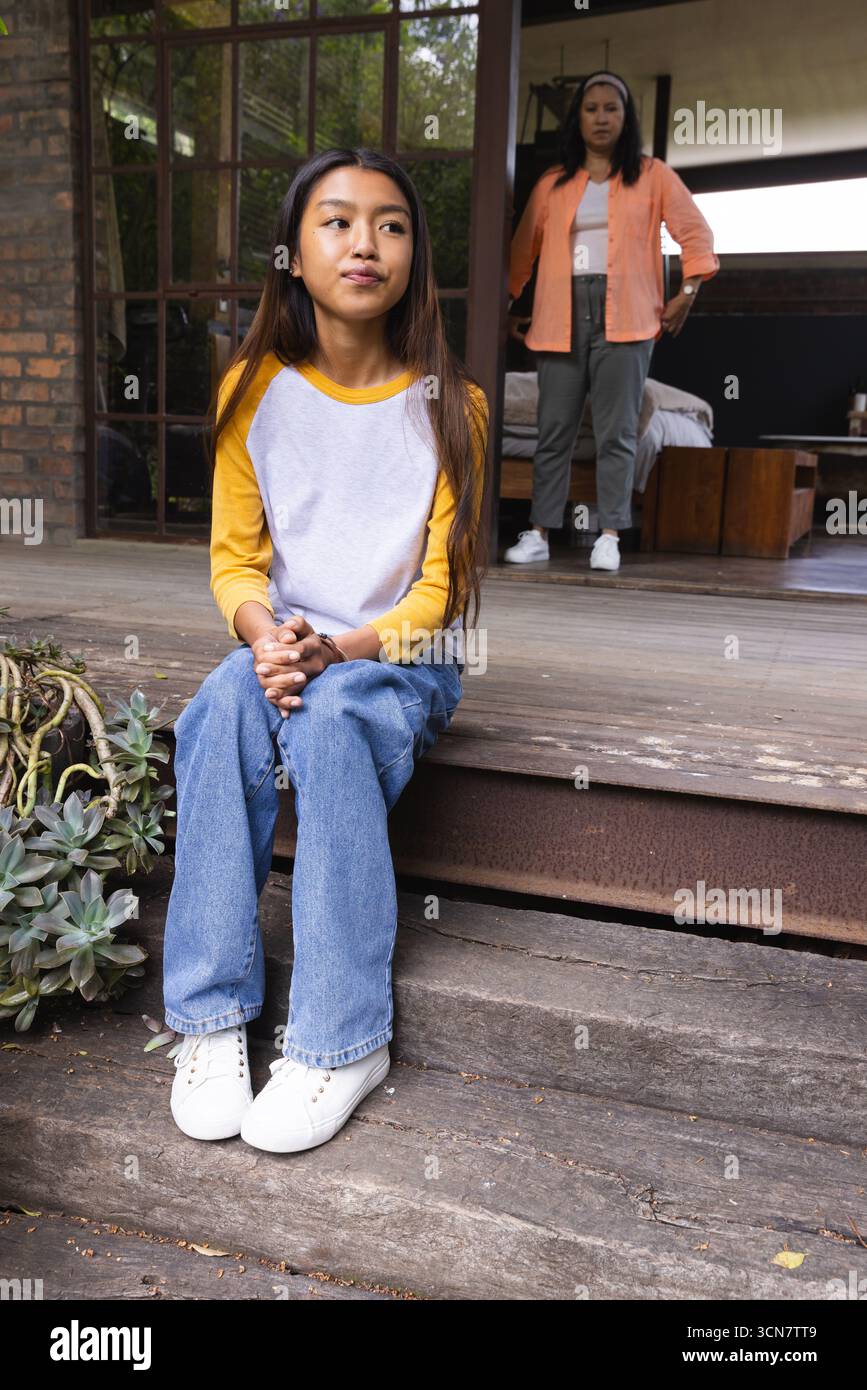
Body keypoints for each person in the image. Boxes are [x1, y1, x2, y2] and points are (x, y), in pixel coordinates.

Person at [162, 147, 489, 1153]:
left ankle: (343, 1038)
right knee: (220, 704)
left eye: (390, 225)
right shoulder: (253, 391)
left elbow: (440, 594)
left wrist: (333, 651)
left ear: (413, 257)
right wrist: (270, 640)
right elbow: (235, 566)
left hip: (403, 652)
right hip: (292, 638)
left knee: (341, 713)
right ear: (292, 256)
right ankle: (212, 1018)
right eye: (338, 222)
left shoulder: (454, 408)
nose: (365, 244)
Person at [504, 70, 718, 572]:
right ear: (577, 120)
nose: (601, 117)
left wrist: (687, 291)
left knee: (617, 431)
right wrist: (505, 307)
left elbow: (696, 233)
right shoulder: (553, 184)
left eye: (611, 109)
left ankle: (609, 534)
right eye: (591, 109)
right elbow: (520, 255)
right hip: (560, 312)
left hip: (628, 315)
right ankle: (538, 532)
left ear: (626, 118)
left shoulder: (652, 175)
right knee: (552, 428)